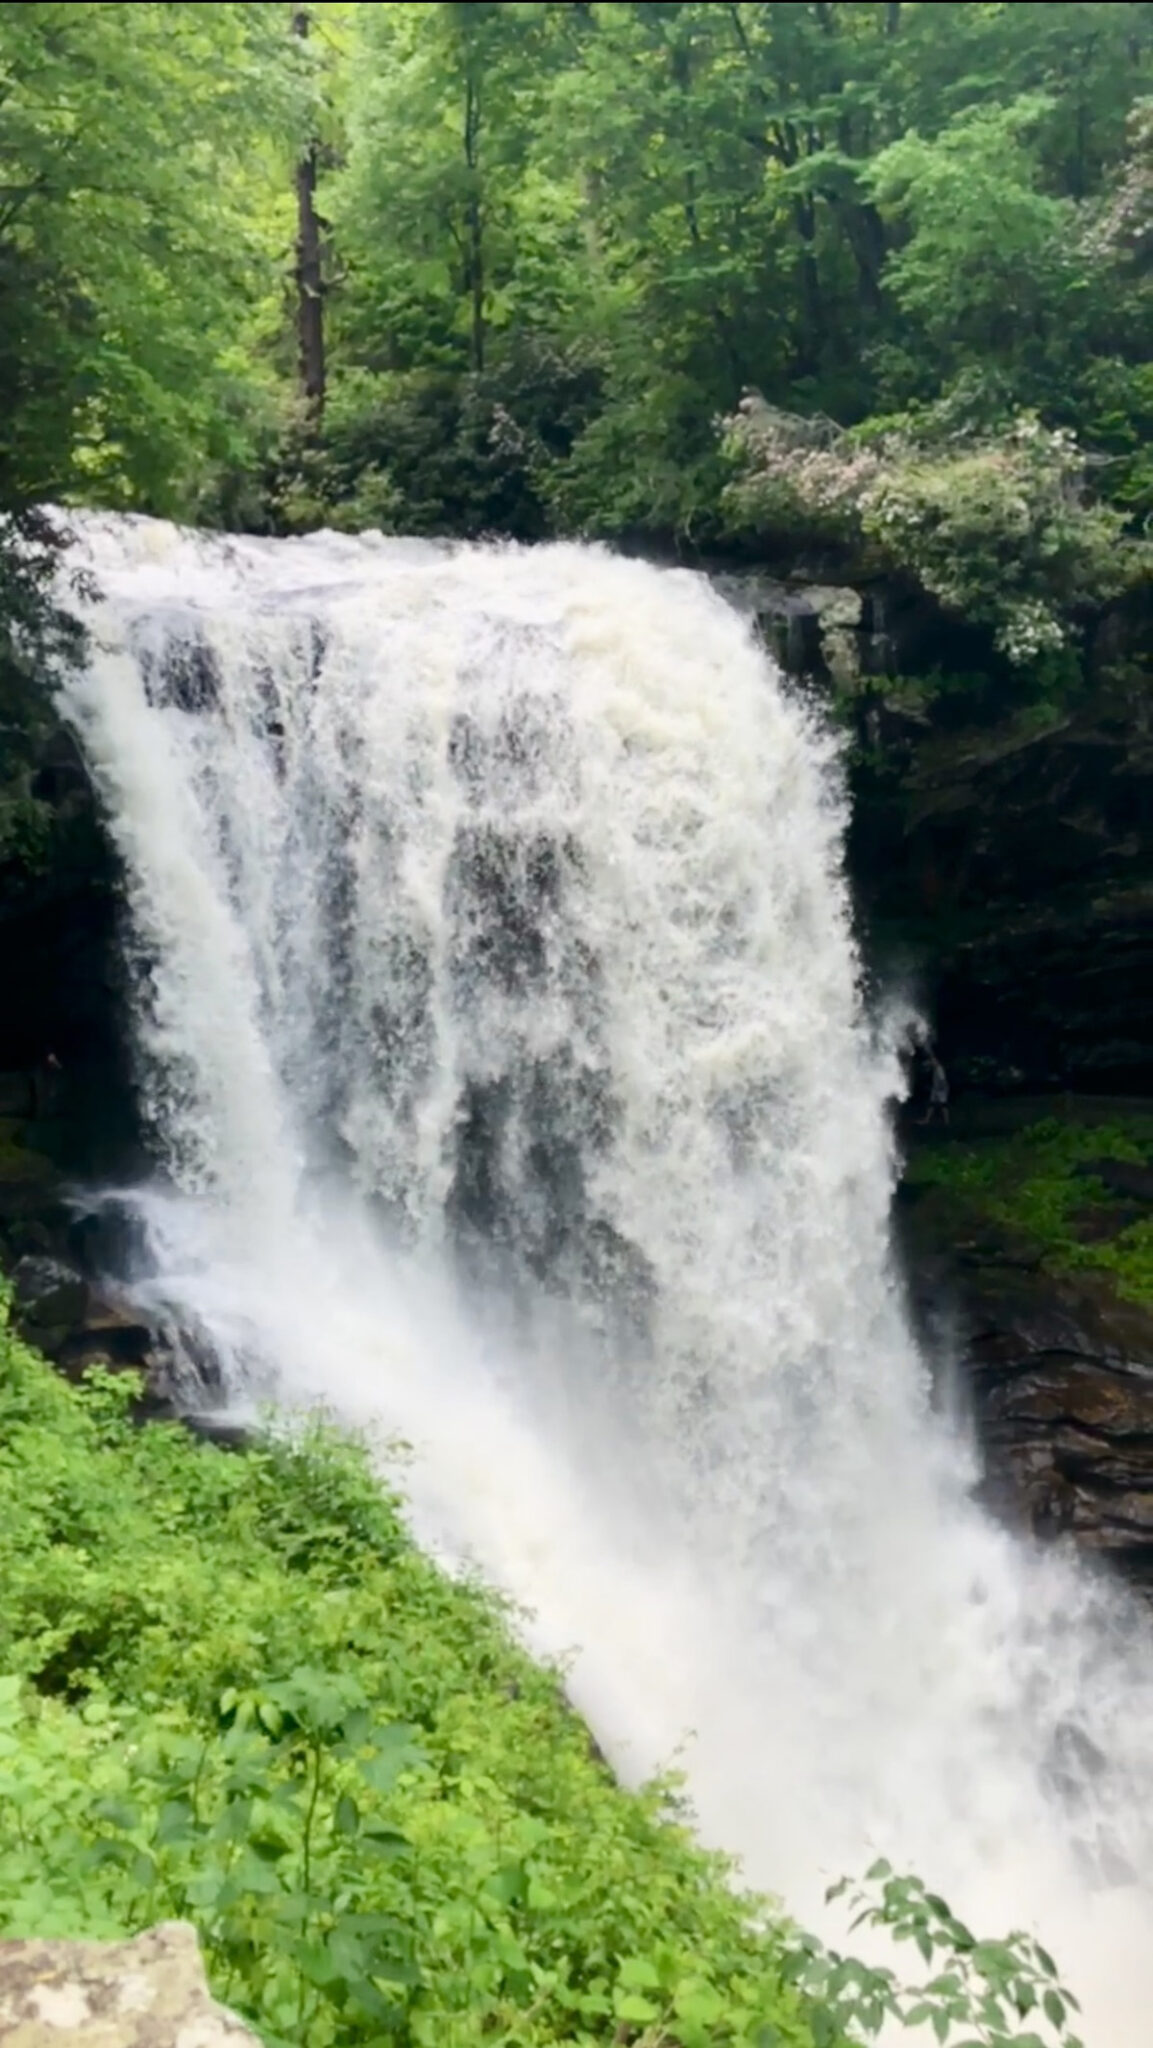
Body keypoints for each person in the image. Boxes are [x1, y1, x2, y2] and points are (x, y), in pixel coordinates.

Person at [920, 1050, 949, 1126]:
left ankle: (946, 1121)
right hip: (936, 1089)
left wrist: (940, 1089)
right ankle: (927, 1119)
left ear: (936, 1060)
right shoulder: (936, 1068)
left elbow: (943, 1080)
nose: (932, 1061)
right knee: (931, 1104)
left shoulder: (939, 1069)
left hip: (940, 1089)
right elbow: (926, 1065)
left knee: (943, 1106)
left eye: (933, 1060)